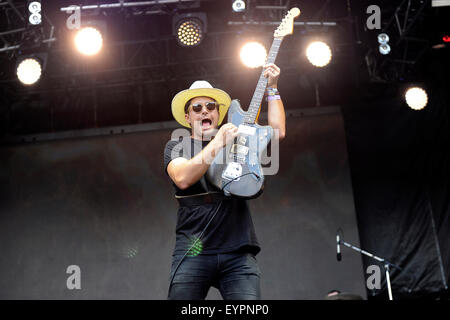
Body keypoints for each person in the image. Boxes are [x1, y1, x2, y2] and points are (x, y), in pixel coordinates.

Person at [163, 63, 286, 300]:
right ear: (188, 117)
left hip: (238, 252)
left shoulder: (237, 141)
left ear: (218, 113)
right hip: (193, 250)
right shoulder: (177, 146)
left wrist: (273, 87)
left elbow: (277, 131)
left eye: (210, 106)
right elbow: (183, 178)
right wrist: (217, 142)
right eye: (196, 108)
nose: (204, 111)